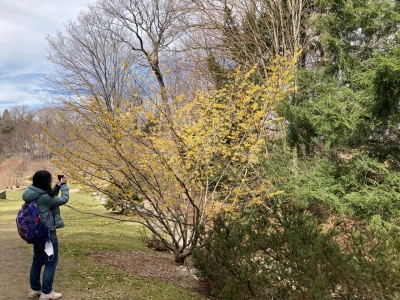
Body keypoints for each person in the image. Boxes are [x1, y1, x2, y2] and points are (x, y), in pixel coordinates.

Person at [22, 170, 69, 300]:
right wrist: (64, 185)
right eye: (50, 179)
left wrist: (57, 187)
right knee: (51, 262)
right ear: (45, 181)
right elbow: (63, 199)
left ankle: (34, 290)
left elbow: (49, 197)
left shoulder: (32, 193)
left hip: (37, 233)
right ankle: (47, 292)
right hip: (47, 235)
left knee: (37, 260)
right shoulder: (45, 197)